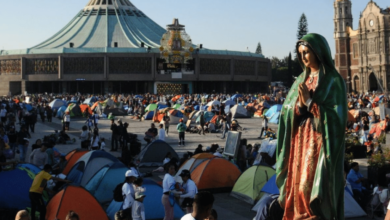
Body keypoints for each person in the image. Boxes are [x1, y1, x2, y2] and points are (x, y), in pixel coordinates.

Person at [276, 33, 347, 220]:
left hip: (320, 143)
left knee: (310, 184)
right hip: (300, 141)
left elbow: (337, 117)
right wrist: (299, 107)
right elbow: (287, 110)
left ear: (318, 51)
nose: (303, 57)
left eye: (307, 52)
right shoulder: (301, 79)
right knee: (298, 183)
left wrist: (309, 103)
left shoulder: (333, 80)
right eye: (301, 53)